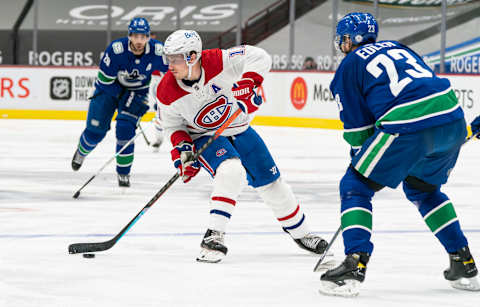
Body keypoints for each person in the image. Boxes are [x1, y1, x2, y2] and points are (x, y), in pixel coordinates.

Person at [319, 12, 479, 297]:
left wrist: (361, 160)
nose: (340, 44)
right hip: (452, 118)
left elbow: (359, 129)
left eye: (343, 38)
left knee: (355, 186)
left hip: (409, 125)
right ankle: (463, 261)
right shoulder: (399, 47)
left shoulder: (350, 65)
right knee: (423, 189)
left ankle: (354, 263)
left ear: (351, 40)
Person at [156, 29, 330, 263]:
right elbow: (173, 126)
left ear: (193, 56)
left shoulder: (218, 60)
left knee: (272, 182)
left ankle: (301, 233)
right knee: (230, 170)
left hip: (239, 128)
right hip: (203, 136)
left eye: (175, 58)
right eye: (168, 58)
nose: (170, 65)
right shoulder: (166, 90)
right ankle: (213, 235)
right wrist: (183, 150)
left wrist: (249, 82)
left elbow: (260, 57)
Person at [71, 18, 168, 187]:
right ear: (129, 36)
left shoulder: (158, 51)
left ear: (148, 37)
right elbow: (103, 81)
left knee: (125, 127)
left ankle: (123, 173)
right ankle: (81, 152)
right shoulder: (116, 50)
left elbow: (175, 72)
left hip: (137, 92)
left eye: (143, 37)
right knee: (95, 132)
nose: (139, 41)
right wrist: (121, 93)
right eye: (136, 36)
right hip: (108, 90)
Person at [148, 32, 166, 151]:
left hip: (162, 80)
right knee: (158, 112)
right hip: (153, 81)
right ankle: (158, 140)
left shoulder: (161, 51)